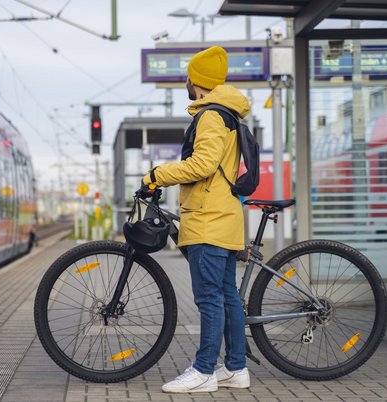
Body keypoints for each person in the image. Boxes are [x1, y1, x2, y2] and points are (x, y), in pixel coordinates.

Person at [141, 46, 251, 393]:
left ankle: (204, 370)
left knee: (209, 299)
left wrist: (157, 174)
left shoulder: (210, 116)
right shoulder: (228, 114)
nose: (186, 83)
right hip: (223, 215)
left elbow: (202, 165)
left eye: (189, 78)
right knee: (226, 295)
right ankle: (235, 368)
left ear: (197, 82)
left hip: (208, 218)